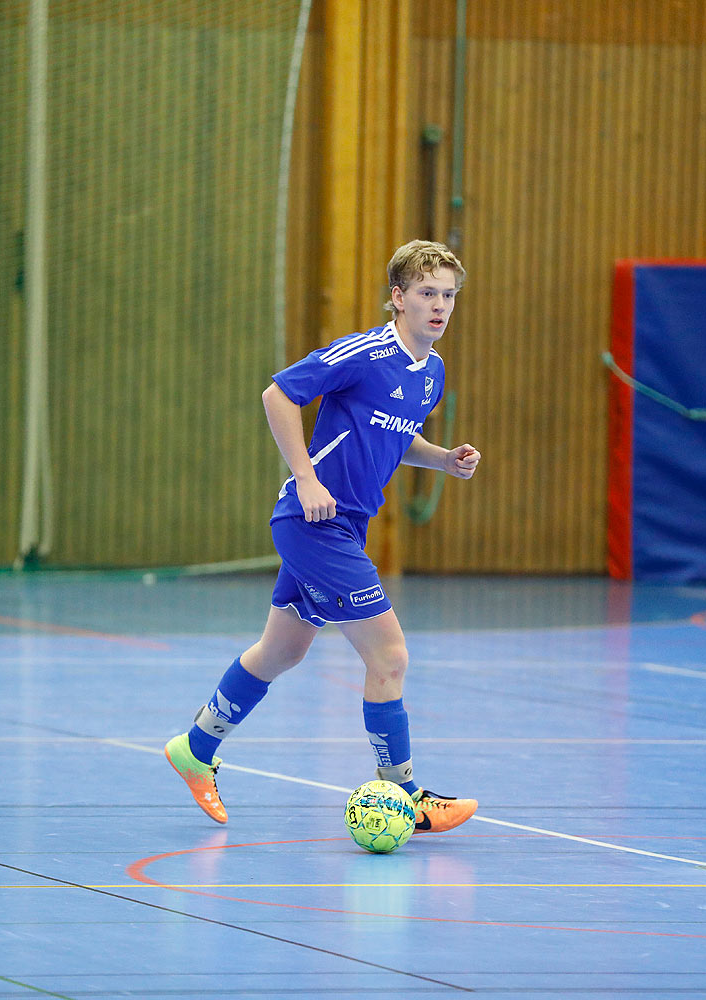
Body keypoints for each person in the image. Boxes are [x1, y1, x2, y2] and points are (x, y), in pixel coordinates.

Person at [165, 240, 481, 833]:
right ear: (398, 298)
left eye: (448, 296)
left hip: (344, 529)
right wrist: (304, 479)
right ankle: (407, 795)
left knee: (282, 650)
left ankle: (194, 749)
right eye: (427, 294)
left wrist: (443, 460)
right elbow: (278, 394)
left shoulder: (430, 373)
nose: (439, 307)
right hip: (315, 524)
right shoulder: (368, 351)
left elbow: (393, 436)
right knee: (389, 655)